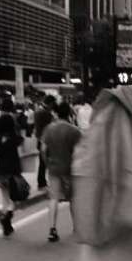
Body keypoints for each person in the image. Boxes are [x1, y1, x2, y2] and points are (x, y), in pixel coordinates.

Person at [41, 101, 81, 242]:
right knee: (73, 199)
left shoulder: (49, 129)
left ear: (57, 113)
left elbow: (43, 150)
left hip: (53, 167)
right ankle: (77, 227)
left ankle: (52, 229)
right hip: (70, 168)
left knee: (54, 198)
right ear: (69, 114)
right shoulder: (74, 130)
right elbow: (80, 151)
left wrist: (48, 163)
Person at [0, 112, 24, 236]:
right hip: (13, 171)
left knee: (4, 198)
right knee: (13, 199)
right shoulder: (16, 138)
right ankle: (7, 217)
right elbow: (23, 151)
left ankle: (6, 221)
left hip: (0, 172)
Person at [33, 95, 56, 189]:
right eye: (53, 104)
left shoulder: (38, 110)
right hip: (46, 140)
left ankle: (42, 181)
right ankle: (42, 182)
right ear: (50, 103)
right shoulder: (46, 113)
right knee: (46, 162)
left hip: (39, 139)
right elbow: (51, 127)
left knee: (42, 162)